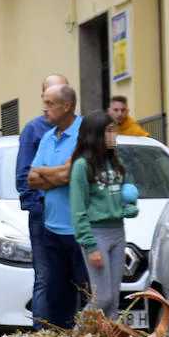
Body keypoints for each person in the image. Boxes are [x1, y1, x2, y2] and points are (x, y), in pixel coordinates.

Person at [26, 84, 89, 329]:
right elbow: (32, 179)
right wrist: (55, 173)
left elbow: (71, 175)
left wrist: (45, 173)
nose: (44, 109)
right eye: (44, 102)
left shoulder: (85, 133)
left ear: (67, 106)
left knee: (87, 296)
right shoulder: (48, 137)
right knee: (56, 298)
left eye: (50, 103)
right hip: (52, 230)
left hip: (80, 230)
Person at [69, 111, 138, 320]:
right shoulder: (82, 166)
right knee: (102, 297)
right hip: (96, 235)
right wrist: (90, 246)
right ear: (95, 135)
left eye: (114, 131)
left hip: (118, 232)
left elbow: (122, 195)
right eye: (109, 131)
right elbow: (77, 209)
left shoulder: (115, 163)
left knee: (114, 299)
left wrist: (128, 208)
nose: (114, 135)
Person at [15, 73, 69, 328]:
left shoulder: (80, 129)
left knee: (73, 279)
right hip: (43, 215)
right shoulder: (35, 131)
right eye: (46, 98)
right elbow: (26, 179)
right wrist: (54, 184)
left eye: (55, 99)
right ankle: (42, 334)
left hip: (73, 216)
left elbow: (82, 173)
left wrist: (48, 175)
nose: (48, 105)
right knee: (45, 278)